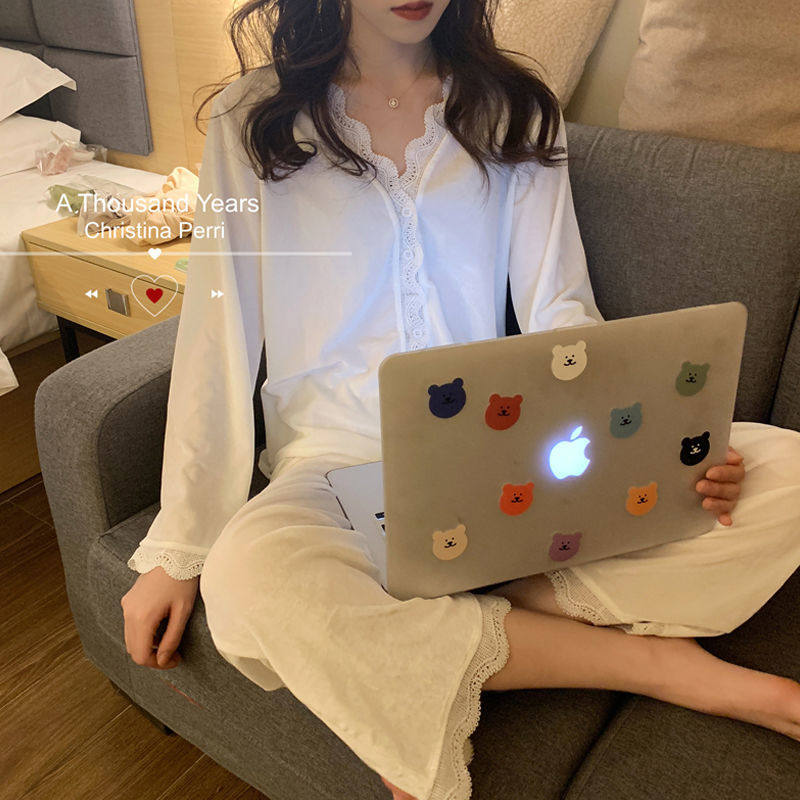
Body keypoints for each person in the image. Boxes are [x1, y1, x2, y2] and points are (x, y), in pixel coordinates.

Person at [120, 1, 800, 798]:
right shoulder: (253, 120)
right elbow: (218, 333)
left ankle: (450, 599)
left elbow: (561, 315)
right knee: (250, 578)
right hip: (334, 468)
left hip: (501, 456)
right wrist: (181, 546)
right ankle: (655, 666)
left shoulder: (514, 109)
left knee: (783, 470)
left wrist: (668, 447)